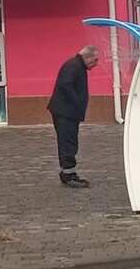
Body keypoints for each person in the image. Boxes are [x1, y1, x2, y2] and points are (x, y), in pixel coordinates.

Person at [47, 45, 100, 188]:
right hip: (65, 112)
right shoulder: (73, 66)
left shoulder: (77, 66)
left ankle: (69, 172)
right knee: (68, 142)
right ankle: (68, 174)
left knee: (70, 141)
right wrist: (77, 102)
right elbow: (66, 86)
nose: (96, 63)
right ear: (87, 56)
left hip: (68, 111)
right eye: (95, 60)